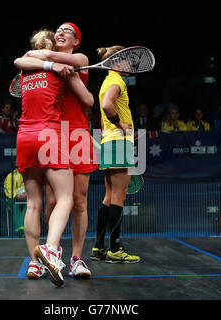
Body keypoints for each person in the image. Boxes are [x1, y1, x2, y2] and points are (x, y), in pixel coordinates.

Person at [15, 23, 96, 280]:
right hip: (51, 134)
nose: (60, 33)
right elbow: (25, 59)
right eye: (57, 30)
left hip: (77, 135)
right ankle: (52, 252)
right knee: (52, 201)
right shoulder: (44, 61)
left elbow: (88, 101)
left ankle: (77, 259)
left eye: (67, 31)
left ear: (76, 40)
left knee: (79, 202)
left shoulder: (80, 59)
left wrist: (68, 74)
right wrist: (47, 61)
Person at [90, 45, 141, 264]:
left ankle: (99, 247)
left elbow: (102, 117)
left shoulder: (106, 81)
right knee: (119, 197)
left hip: (110, 142)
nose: (131, 64)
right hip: (119, 142)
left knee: (109, 197)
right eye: (128, 60)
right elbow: (106, 105)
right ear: (118, 62)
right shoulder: (117, 81)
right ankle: (115, 248)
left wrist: (112, 132)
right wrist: (121, 125)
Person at [4, 166, 27, 237]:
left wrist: (26, 195)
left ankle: (22, 229)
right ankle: (20, 228)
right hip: (13, 199)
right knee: (16, 204)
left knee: (30, 205)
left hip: (26, 198)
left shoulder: (29, 174)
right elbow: (7, 188)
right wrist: (15, 195)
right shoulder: (10, 175)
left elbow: (33, 187)